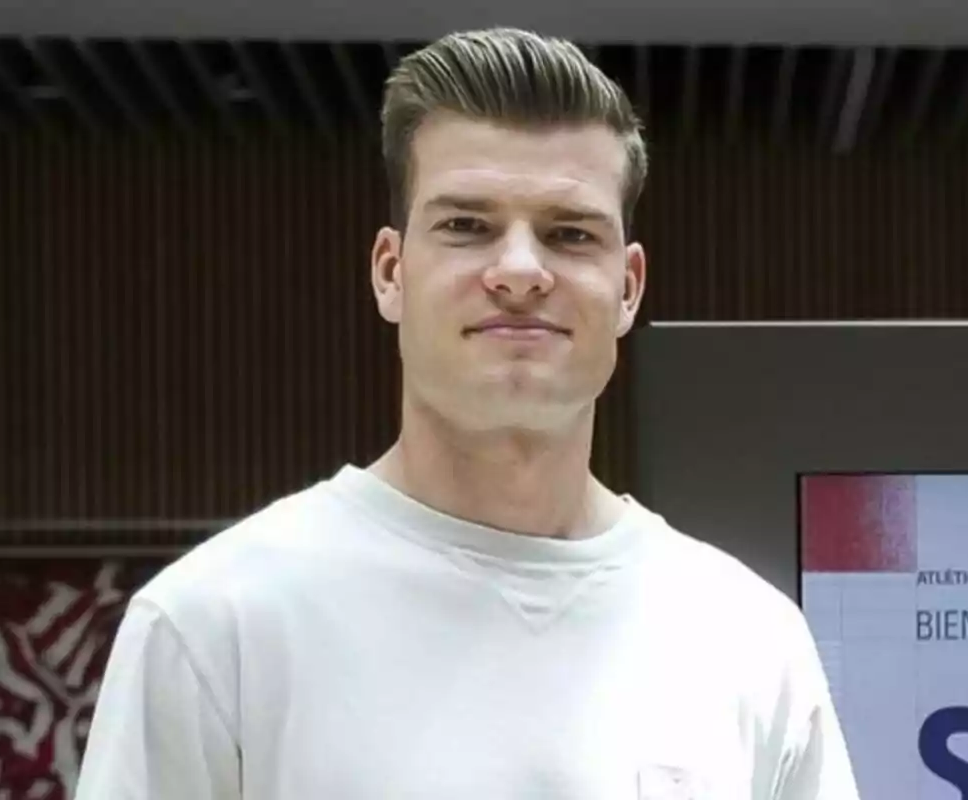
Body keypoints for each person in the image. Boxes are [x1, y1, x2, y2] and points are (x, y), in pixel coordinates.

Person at [74, 27, 859, 800]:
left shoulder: (748, 640)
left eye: (569, 233)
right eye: (466, 226)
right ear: (391, 272)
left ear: (627, 288)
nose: (520, 270)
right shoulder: (217, 626)